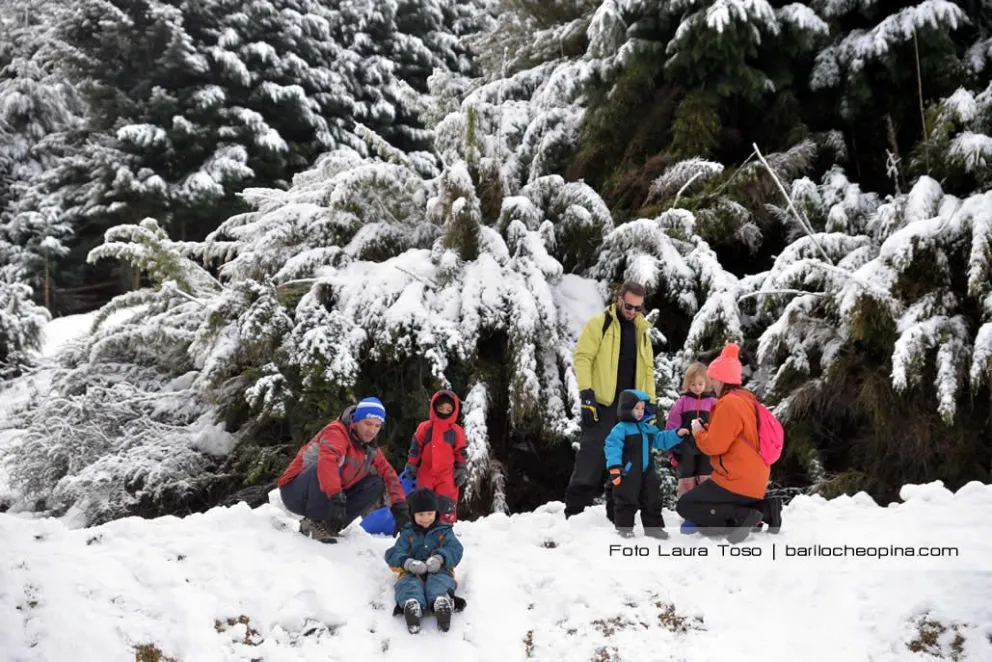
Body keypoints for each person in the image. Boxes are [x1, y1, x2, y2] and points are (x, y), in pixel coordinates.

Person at [565, 281, 656, 520]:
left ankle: (616, 513)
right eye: (629, 306)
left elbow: (648, 370)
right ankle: (574, 514)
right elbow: (583, 358)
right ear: (619, 300)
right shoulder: (600, 324)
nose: (632, 312)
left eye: (638, 308)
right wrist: (586, 394)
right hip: (603, 404)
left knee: (626, 462)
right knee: (591, 459)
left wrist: (651, 403)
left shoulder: (641, 332)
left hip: (630, 409)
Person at [675, 344, 783, 543]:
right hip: (756, 481)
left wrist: (699, 433)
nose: (711, 384)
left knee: (686, 506)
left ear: (722, 379)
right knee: (705, 511)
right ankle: (766, 508)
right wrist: (707, 429)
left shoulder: (728, 404)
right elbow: (732, 437)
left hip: (734, 480)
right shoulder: (747, 400)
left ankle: (741, 516)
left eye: (713, 378)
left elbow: (714, 446)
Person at [277, 397, 409, 543]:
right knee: (323, 465)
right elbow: (327, 462)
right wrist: (335, 496)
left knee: (376, 483)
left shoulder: (370, 448)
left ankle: (329, 526)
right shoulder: (336, 431)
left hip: (328, 495)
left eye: (377, 426)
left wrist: (400, 508)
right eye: (368, 423)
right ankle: (313, 523)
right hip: (295, 492)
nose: (372, 431)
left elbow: (389, 474)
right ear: (356, 420)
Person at [605, 389, 689, 539]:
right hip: (628, 471)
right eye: (636, 408)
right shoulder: (621, 429)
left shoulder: (647, 428)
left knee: (652, 498)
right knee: (626, 498)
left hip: (647, 470)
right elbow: (612, 447)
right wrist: (615, 467)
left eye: (642, 408)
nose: (640, 412)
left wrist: (676, 434)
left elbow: (660, 440)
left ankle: (653, 528)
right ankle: (625, 528)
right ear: (626, 408)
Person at [385, 488, 464, 634]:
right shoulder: (407, 533)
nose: (426, 518)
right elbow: (393, 554)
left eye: (430, 514)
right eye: (421, 514)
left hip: (440, 570)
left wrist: (440, 558)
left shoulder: (444, 531)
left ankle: (442, 602)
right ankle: (412, 606)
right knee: (409, 584)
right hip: (413, 572)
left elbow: (455, 549)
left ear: (436, 513)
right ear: (413, 514)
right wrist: (408, 563)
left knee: (439, 581)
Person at [405, 390, 468, 524]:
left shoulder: (456, 432)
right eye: (441, 408)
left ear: (454, 410)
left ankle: (445, 528)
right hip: (426, 472)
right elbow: (415, 448)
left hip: (447, 475)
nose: (444, 412)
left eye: (448, 409)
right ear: (434, 407)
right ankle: (422, 527)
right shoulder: (424, 428)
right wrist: (412, 464)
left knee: (446, 502)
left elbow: (460, 452)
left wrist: (462, 468)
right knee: (424, 501)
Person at [665, 362, 718, 498]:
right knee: (686, 482)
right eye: (693, 384)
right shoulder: (682, 402)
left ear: (707, 382)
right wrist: (672, 452)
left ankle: (707, 512)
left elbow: (720, 426)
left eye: (700, 383)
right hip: (685, 449)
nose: (697, 387)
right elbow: (671, 426)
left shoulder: (713, 402)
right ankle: (687, 512)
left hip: (707, 449)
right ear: (688, 384)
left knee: (707, 480)